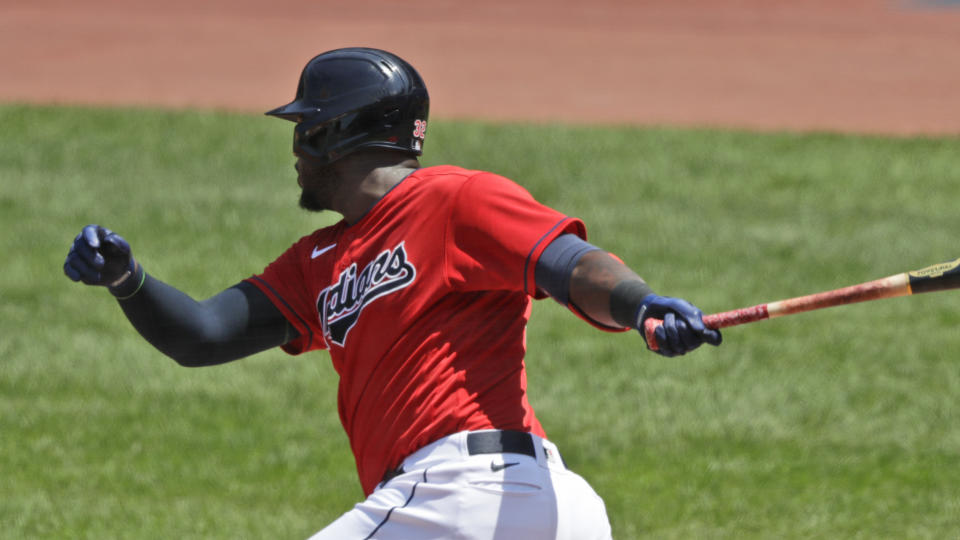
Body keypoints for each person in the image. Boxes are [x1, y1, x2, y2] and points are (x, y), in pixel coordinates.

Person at [63, 47, 721, 539]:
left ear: (338, 134)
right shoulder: (316, 262)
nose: (294, 150)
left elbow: (570, 264)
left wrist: (639, 304)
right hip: (535, 514)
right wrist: (127, 280)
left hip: (469, 496)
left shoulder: (457, 199)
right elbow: (203, 335)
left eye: (305, 131)